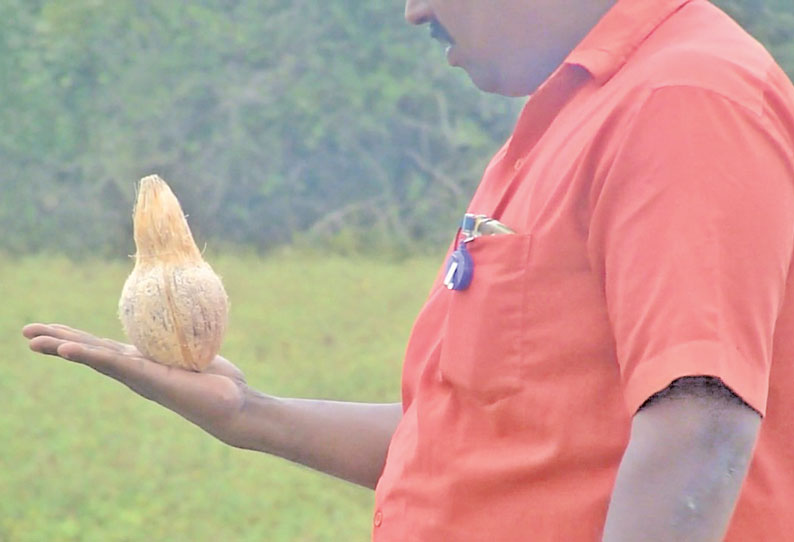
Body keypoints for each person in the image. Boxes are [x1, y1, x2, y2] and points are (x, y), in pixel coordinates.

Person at [24, 0, 794, 539]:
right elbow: (478, 437)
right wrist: (247, 412)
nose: (414, 11)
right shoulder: (572, 118)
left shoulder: (681, 99)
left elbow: (702, 426)